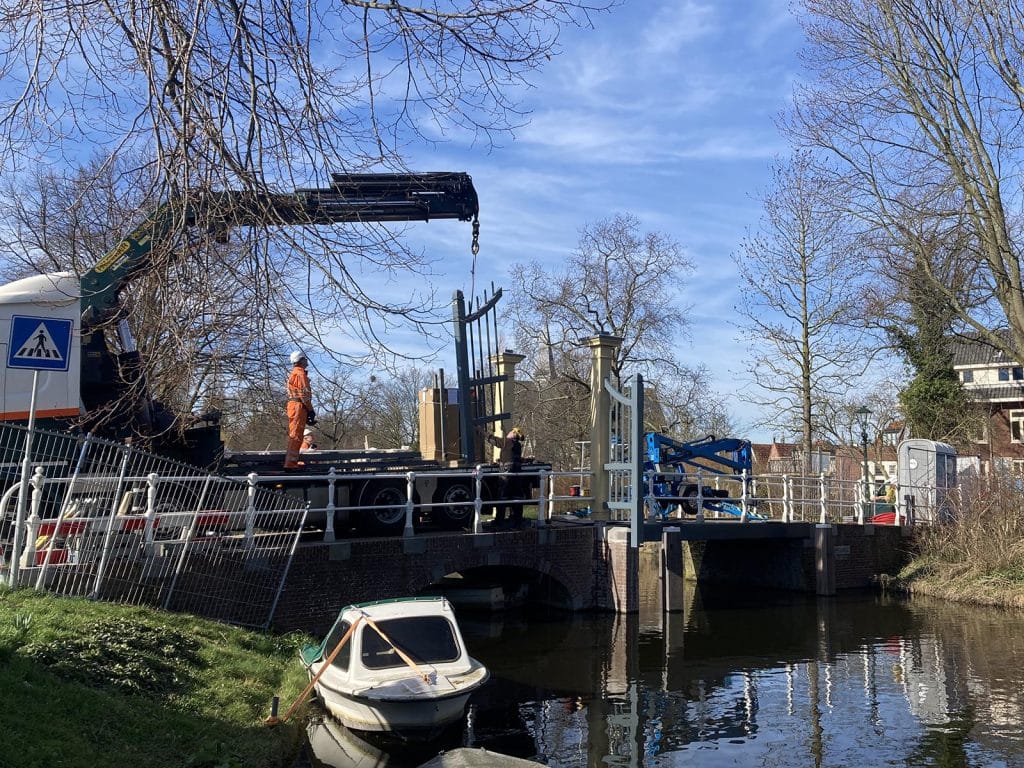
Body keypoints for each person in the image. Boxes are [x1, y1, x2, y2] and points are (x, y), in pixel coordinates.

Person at [486, 427, 525, 528]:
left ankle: (499, 522)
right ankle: (517, 522)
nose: (508, 432)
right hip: (517, 472)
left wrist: (484, 433)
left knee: (502, 496)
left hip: (507, 472)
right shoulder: (518, 445)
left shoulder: (506, 442)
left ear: (513, 434)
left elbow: (494, 440)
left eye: (511, 431)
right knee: (517, 496)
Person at [285, 350, 314, 468]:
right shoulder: (300, 374)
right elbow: (304, 394)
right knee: (296, 435)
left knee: (296, 434)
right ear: (300, 360)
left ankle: (291, 462)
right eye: (305, 359)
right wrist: (311, 410)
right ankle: (290, 464)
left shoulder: (294, 373)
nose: (307, 361)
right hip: (298, 406)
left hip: (296, 405)